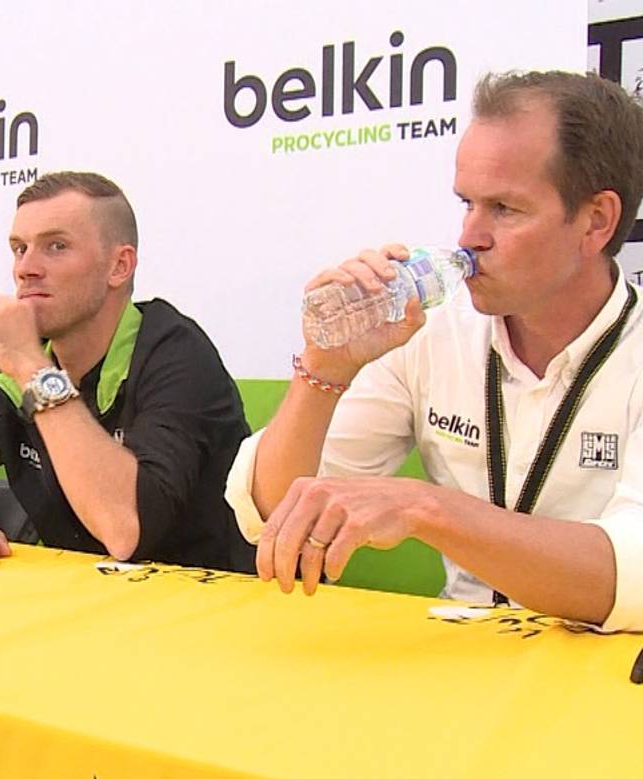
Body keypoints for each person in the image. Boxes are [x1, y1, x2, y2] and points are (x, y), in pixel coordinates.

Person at [224, 70, 643, 632]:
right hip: (464, 657)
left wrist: (425, 509)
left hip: (603, 668)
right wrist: (323, 371)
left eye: (505, 208)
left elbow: (633, 578)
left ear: (597, 221)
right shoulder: (430, 328)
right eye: (467, 202)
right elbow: (271, 513)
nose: (470, 235)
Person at [0, 170, 254, 570]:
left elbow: (125, 531)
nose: (25, 268)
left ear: (119, 266)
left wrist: (31, 367)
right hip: (89, 603)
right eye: (19, 248)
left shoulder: (175, 355)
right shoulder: (17, 377)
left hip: (213, 602)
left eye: (56, 246)